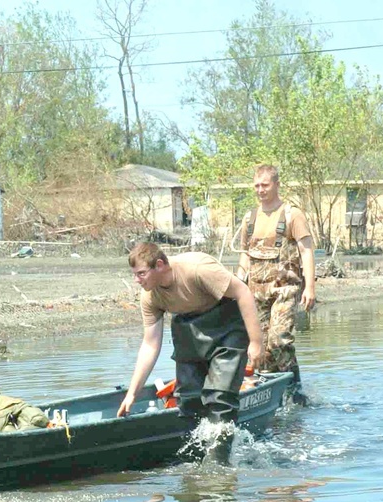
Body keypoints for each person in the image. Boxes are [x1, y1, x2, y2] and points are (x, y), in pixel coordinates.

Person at [116, 243, 263, 455]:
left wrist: (256, 342)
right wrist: (132, 395)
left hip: (226, 326)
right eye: (135, 275)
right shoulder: (150, 296)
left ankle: (219, 465)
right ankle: (197, 460)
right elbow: (150, 344)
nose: (136, 280)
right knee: (189, 400)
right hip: (188, 331)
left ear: (159, 265)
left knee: (219, 398)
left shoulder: (197, 269)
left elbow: (242, 292)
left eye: (141, 274)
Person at [237, 164, 316, 404]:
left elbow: (307, 251)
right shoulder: (249, 218)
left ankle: (295, 392)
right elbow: (244, 255)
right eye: (257, 185)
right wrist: (237, 285)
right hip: (255, 293)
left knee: (280, 339)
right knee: (257, 345)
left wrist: (310, 287)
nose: (260, 190)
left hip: (285, 290)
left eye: (265, 185)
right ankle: (269, 396)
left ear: (277, 185)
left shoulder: (293, 215)